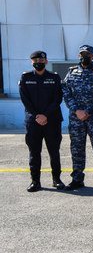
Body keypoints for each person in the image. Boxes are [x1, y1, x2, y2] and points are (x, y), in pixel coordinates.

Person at [61, 44, 93, 190]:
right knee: (76, 148)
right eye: (82, 54)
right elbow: (66, 92)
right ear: (78, 56)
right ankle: (77, 179)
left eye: (88, 55)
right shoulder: (71, 72)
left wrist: (87, 110)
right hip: (76, 118)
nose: (85, 57)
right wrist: (77, 110)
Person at [19, 50, 65, 192]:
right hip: (33, 121)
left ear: (46, 61)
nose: (38, 63)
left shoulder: (54, 77)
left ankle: (56, 179)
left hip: (52, 120)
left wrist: (45, 115)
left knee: (54, 151)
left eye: (41, 60)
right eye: (35, 61)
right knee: (34, 152)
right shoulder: (25, 77)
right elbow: (25, 100)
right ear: (31, 62)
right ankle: (35, 181)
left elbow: (57, 98)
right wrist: (37, 116)